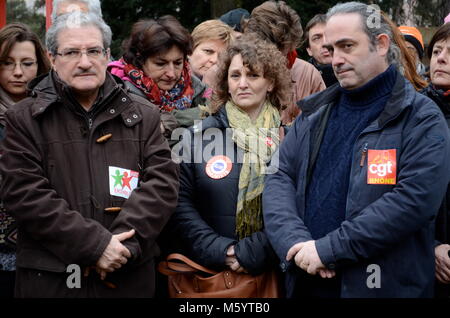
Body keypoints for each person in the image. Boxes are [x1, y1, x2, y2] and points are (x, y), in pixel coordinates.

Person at [263, 1, 450, 298]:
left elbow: (414, 200)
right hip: (306, 282)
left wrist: (329, 249)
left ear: (381, 44)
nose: (335, 59)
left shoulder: (421, 118)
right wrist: (294, 243)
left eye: (347, 46)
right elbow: (278, 175)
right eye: (331, 49)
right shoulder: (314, 114)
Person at [0, 12, 179, 298]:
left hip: (128, 277)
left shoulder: (142, 114)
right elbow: (25, 194)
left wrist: (122, 248)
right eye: (71, 52)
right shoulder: (24, 118)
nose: (84, 62)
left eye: (93, 51)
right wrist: (96, 247)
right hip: (52, 281)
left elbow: (163, 185)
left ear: (107, 54)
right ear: (52, 57)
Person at [169, 34, 291, 284]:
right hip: (212, 274)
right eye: (235, 76)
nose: (243, 83)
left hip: (276, 273)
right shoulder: (197, 137)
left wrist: (256, 250)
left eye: (253, 75)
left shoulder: (291, 139)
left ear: (270, 83)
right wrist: (221, 250)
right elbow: (179, 204)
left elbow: (301, 204)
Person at [0, 22, 50, 298]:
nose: (18, 72)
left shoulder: (56, 112)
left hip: (48, 251)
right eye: (8, 63)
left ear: (41, 65)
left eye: (27, 63)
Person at [108, 16, 210, 137]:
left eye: (178, 63)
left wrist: (171, 120)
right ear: (140, 60)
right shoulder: (121, 93)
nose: (171, 73)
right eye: (160, 64)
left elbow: (214, 109)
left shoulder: (193, 84)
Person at [242, 0, 326, 124]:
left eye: (280, 49)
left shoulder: (308, 74)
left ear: (291, 44)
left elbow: (323, 125)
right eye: (266, 49)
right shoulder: (229, 73)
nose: (273, 57)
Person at [421, 22, 450, 298]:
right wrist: (431, 245)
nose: (440, 58)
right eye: (437, 51)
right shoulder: (410, 112)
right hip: (420, 263)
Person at [189, 19, 234, 86]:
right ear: (190, 50)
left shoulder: (232, 85)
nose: (215, 60)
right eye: (208, 51)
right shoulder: (171, 80)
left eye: (222, 56)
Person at [304, 14, 338, 87]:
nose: (325, 43)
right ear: (309, 50)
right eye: (317, 38)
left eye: (330, 35)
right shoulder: (300, 78)